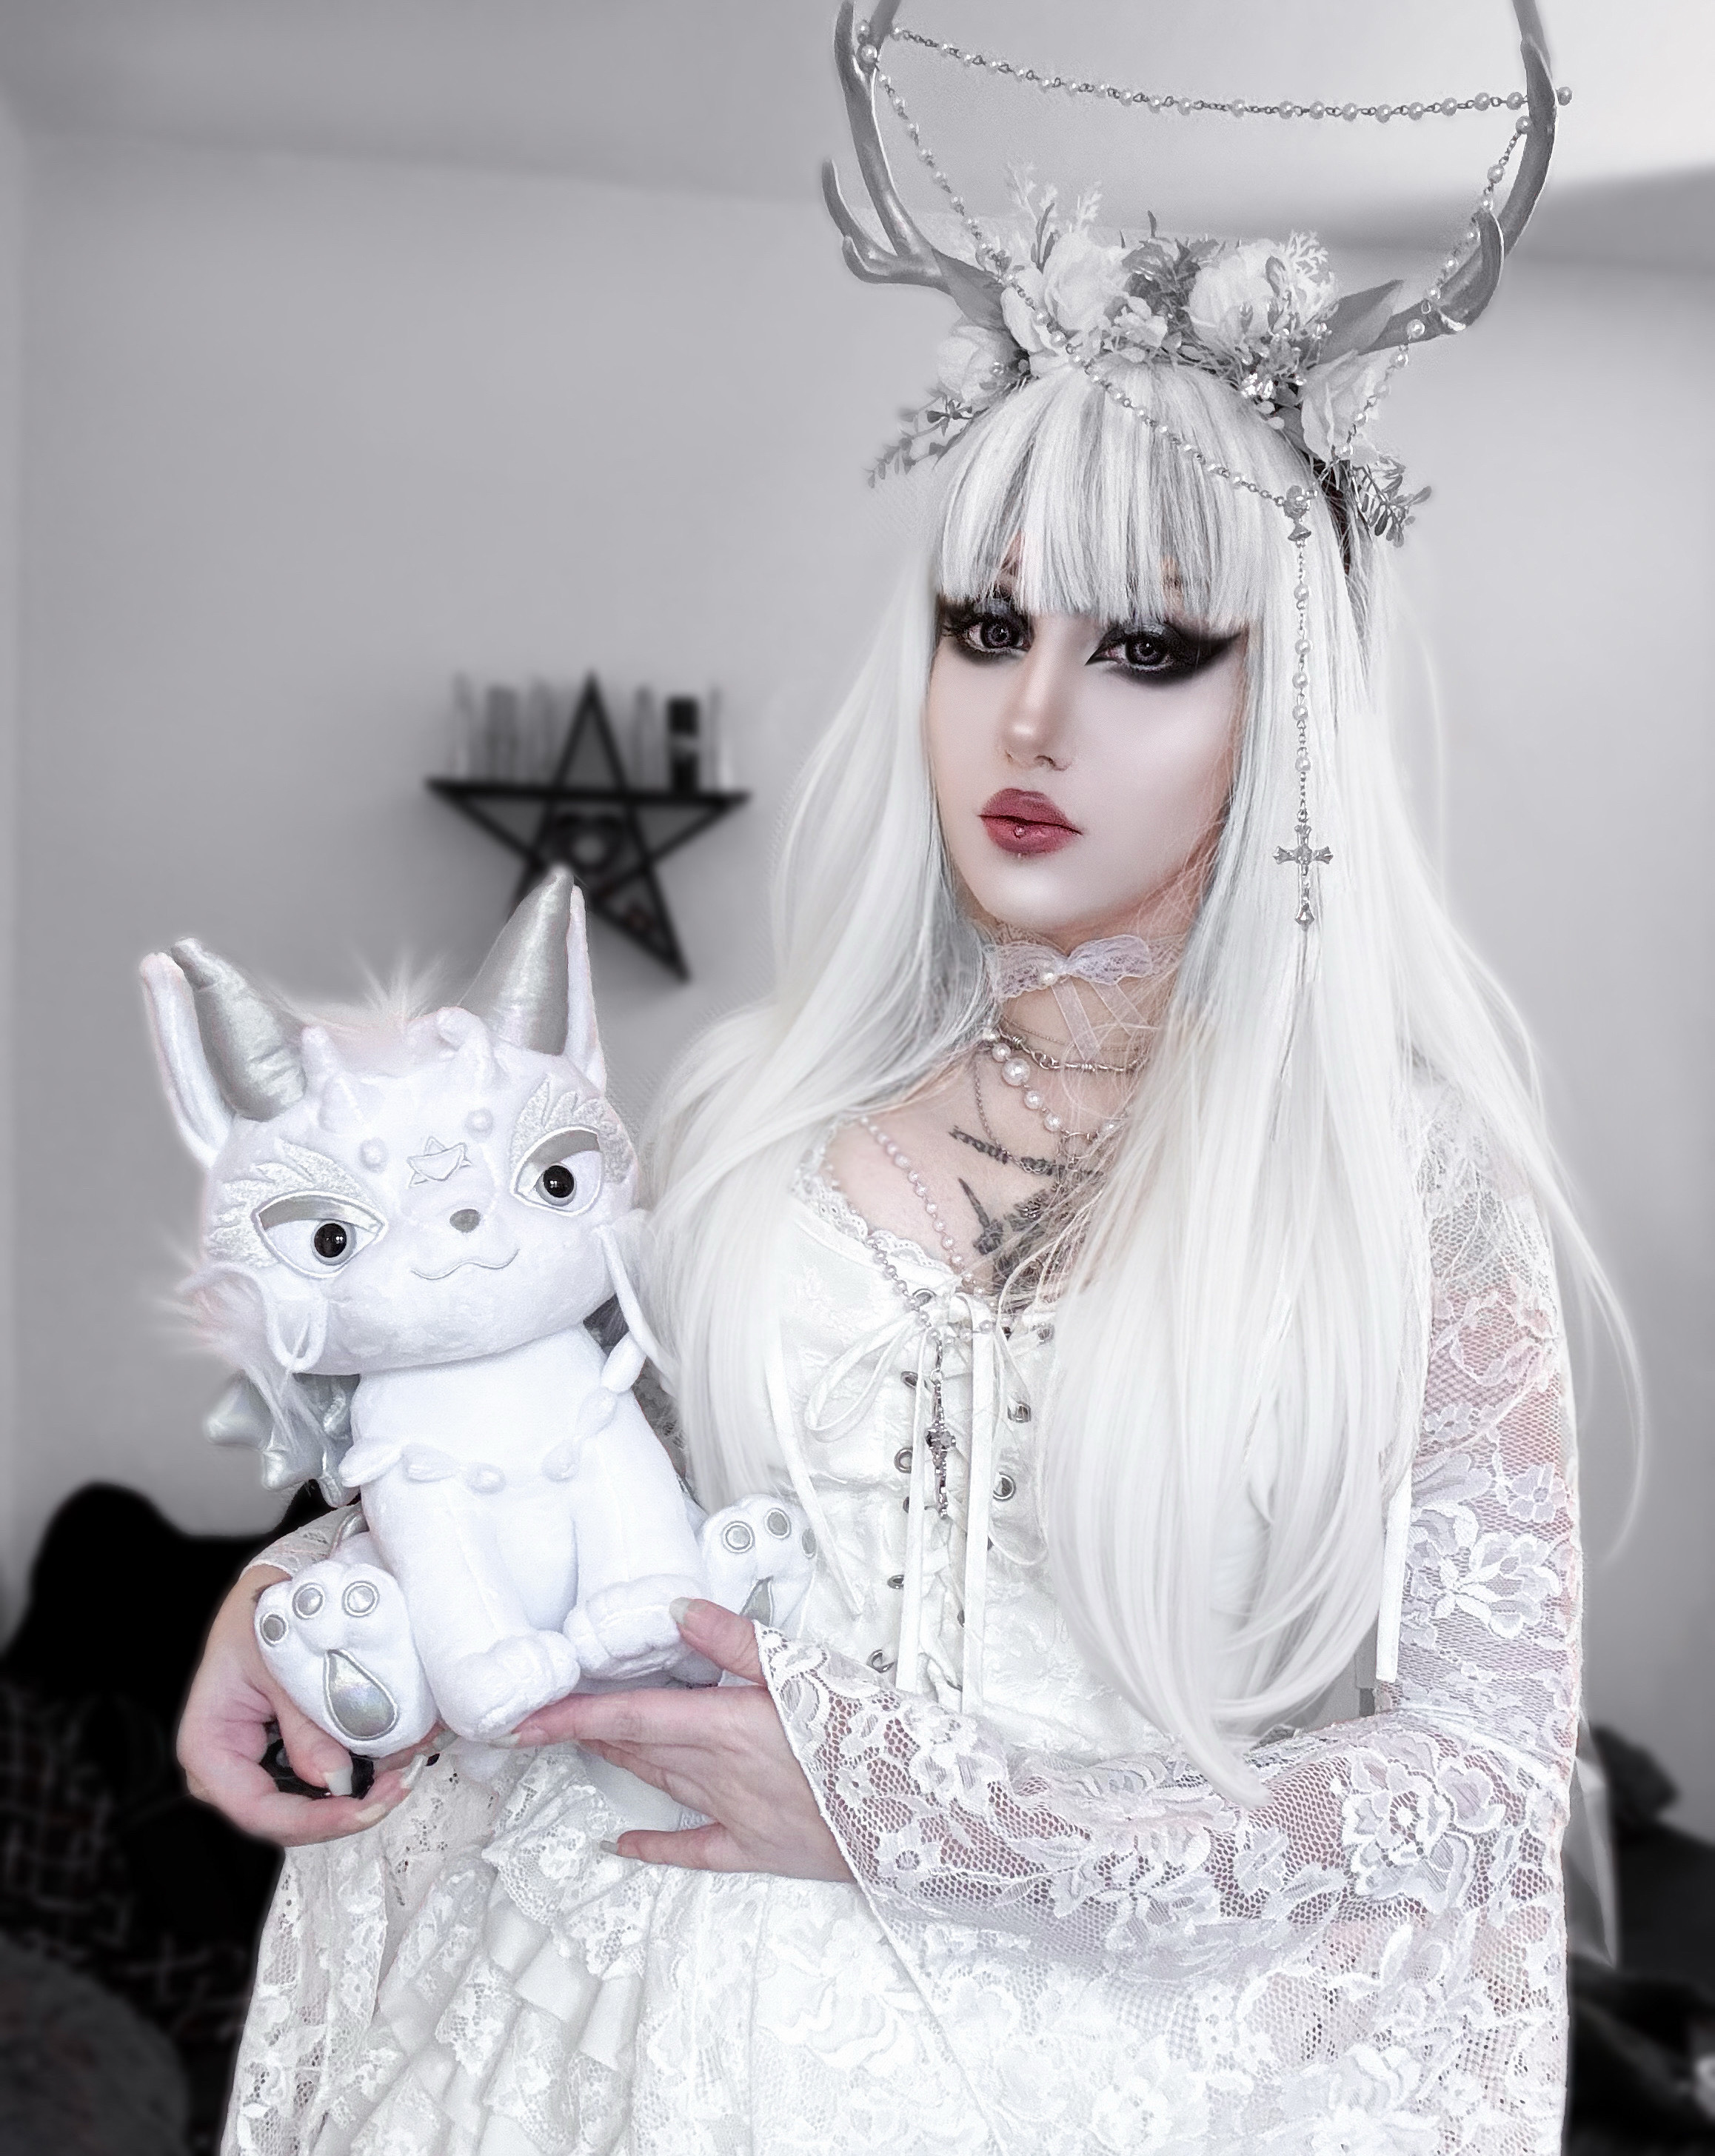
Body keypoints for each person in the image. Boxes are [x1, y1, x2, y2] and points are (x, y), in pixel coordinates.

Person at [175, 19, 1599, 2155]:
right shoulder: (752, 1110)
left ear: (1287, 704)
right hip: (616, 2018)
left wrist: (936, 1815)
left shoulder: (1406, 1185)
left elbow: (1482, 1777)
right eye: (982, 625)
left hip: (1110, 2080)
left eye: (1146, 650)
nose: (1031, 720)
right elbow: (564, 1486)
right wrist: (297, 1589)